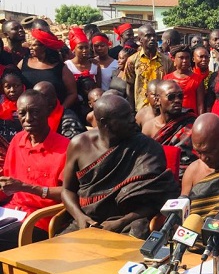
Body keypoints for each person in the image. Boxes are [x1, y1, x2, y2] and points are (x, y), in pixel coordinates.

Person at [61, 94, 179, 237]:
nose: (132, 120)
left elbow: (158, 200)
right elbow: (67, 190)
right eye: (125, 117)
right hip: (87, 221)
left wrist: (121, 222)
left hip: (127, 223)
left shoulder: (148, 148)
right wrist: (80, 217)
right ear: (105, 122)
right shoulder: (79, 144)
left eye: (131, 114)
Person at [0, 90, 69, 251]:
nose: (28, 118)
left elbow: (68, 193)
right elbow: (7, 182)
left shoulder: (66, 148)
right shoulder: (17, 140)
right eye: (22, 113)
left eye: (35, 112)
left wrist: (26, 187)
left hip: (40, 220)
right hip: (12, 211)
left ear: (48, 111)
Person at [141, 80, 197, 176]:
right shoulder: (148, 127)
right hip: (158, 176)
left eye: (180, 96)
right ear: (158, 100)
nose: (177, 100)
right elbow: (145, 160)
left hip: (187, 175)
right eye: (171, 97)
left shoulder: (191, 123)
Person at [18, 29, 77, 110]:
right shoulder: (23, 63)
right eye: (30, 45)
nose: (30, 47)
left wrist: (61, 109)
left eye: (34, 45)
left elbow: (72, 93)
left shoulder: (60, 68)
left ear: (44, 47)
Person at [124, 24, 174, 111]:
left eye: (154, 36)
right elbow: (129, 86)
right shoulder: (132, 61)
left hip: (162, 109)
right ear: (140, 40)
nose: (153, 38)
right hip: (141, 109)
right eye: (148, 36)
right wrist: (131, 110)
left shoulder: (167, 61)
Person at [163, 45, 205, 115]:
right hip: (172, 117)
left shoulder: (197, 79)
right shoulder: (167, 79)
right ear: (174, 59)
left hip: (191, 117)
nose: (185, 61)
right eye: (181, 58)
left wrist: (199, 119)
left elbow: (200, 104)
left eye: (187, 58)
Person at [0, 71, 25, 165]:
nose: (12, 90)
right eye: (8, 87)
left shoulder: (28, 101)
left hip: (21, 147)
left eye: (16, 86)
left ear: (22, 86)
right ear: (2, 88)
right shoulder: (0, 102)